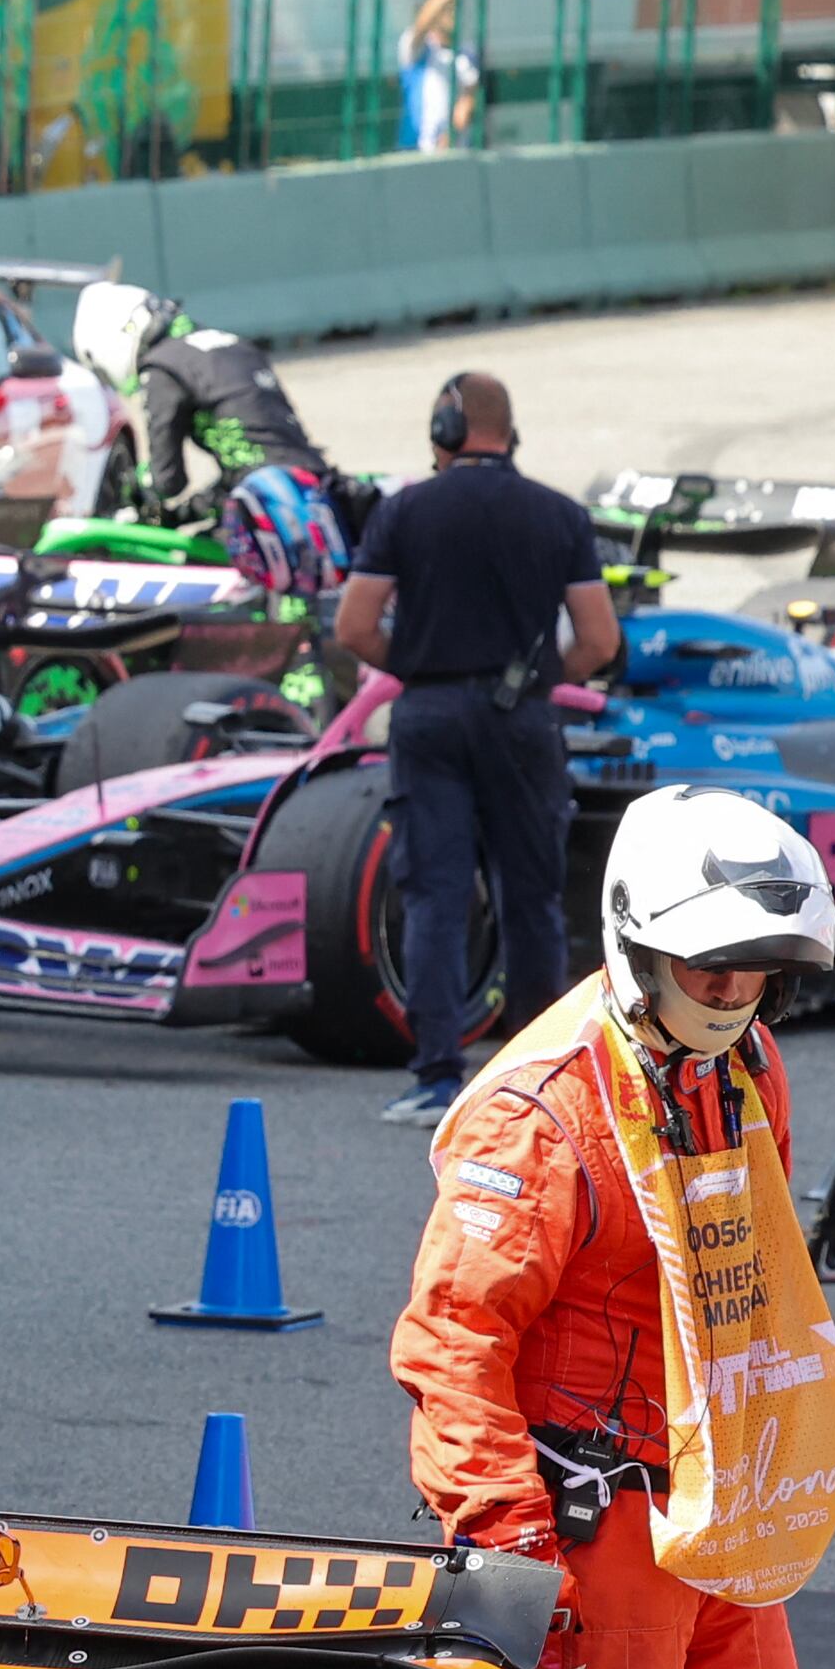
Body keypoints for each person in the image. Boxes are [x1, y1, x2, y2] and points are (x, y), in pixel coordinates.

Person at [390, 786, 835, 1669]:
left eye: (752, 966)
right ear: (637, 946)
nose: (731, 989)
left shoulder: (744, 1066)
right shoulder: (540, 1112)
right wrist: (519, 1554)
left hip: (712, 1503)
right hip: (585, 1518)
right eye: (707, 965)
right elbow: (451, 1338)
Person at [334, 369, 614, 1123]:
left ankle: (435, 1077)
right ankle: (538, 1082)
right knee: (532, 898)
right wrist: (537, 682)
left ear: (446, 431)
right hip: (523, 721)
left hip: (428, 716)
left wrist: (423, 669)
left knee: (434, 894)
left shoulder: (405, 511)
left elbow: (354, 627)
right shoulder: (558, 515)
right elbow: (599, 638)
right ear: (509, 434)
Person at [67, 279, 355, 609]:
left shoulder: (162, 367)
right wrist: (196, 508)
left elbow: (167, 481)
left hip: (266, 509)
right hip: (310, 490)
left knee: (190, 587)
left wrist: (143, 500)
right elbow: (261, 452)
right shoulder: (232, 345)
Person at [400, 0, 484, 151]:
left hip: (454, 152)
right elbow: (423, 22)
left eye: (454, 7)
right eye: (446, 9)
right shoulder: (416, 48)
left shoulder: (466, 55)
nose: (452, 13)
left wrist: (450, 135)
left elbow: (468, 99)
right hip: (416, 150)